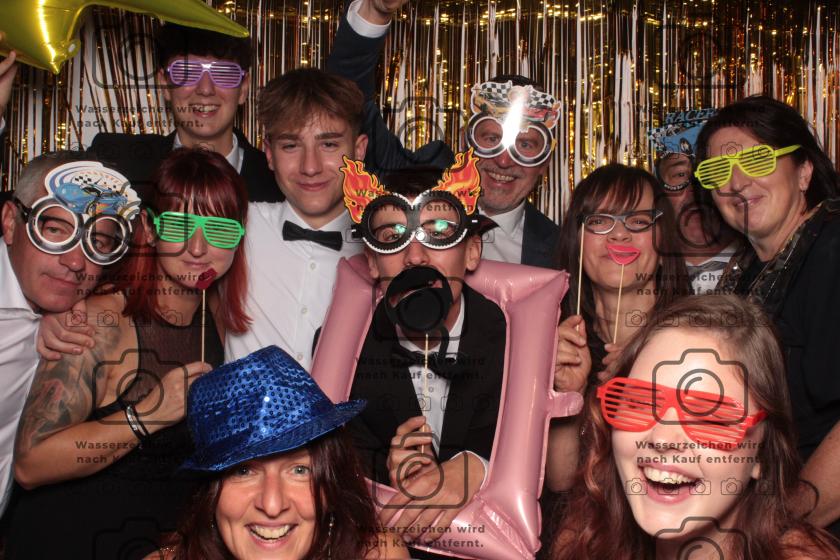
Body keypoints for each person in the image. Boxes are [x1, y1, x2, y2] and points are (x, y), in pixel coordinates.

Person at [7, 148, 248, 559]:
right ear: (149, 229)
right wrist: (149, 415)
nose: (198, 246)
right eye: (180, 225)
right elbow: (31, 464)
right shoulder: (102, 322)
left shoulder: (216, 319)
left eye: (220, 230)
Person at [550, 295, 840, 560]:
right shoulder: (585, 543)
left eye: (709, 417)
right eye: (640, 403)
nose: (662, 438)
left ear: (762, 454)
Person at [332, 152, 504, 556]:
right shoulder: (343, 353)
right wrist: (387, 474)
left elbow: (545, 465)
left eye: (438, 231)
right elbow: (333, 481)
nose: (414, 257)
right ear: (372, 262)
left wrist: (477, 467)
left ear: (472, 251)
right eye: (393, 236)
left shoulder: (518, 341)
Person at [694, 95, 840, 536]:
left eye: (756, 160)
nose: (736, 182)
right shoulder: (744, 276)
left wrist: (785, 526)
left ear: (804, 171)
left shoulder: (832, 249)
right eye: (718, 171)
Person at [326, 0, 561, 268]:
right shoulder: (407, 180)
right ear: (465, 141)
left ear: (545, 161)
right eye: (491, 139)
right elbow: (346, 100)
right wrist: (375, 12)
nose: (504, 160)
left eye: (526, 145)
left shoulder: (564, 250)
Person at [152, 345, 407, 559]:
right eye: (243, 471)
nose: (272, 505)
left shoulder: (380, 555)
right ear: (209, 496)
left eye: (300, 470)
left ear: (332, 486)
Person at [0, 151, 137, 517]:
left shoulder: (73, 316)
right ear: (11, 222)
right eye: (56, 230)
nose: (76, 261)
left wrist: (53, 310)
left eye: (99, 242)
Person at [546, 164, 691, 493]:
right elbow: (562, 484)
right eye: (599, 221)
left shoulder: (698, 340)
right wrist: (568, 395)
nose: (619, 235)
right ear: (577, 242)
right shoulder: (553, 341)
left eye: (638, 221)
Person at [224, 68, 368, 368]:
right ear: (269, 154)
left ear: (358, 150)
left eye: (328, 145)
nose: (310, 167)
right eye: (290, 146)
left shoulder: (388, 247)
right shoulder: (235, 226)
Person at [88, 24, 282, 203]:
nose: (205, 89)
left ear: (244, 89)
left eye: (223, 73)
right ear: (165, 84)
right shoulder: (113, 163)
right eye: (187, 72)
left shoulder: (280, 182)